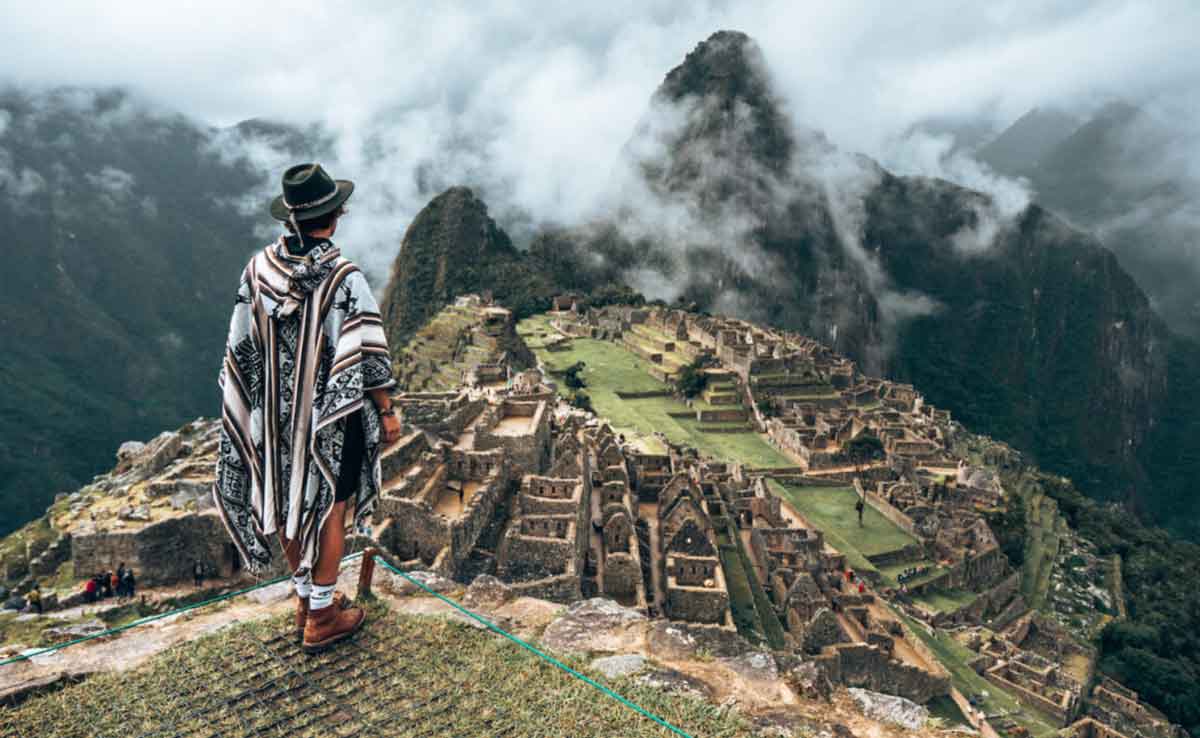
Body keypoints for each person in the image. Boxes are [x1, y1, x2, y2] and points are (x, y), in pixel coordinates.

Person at [213, 163, 400, 655]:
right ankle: (321, 615)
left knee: (289, 500)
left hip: (273, 418)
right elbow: (369, 352)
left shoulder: (256, 271)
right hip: (331, 421)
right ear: (333, 218)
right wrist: (386, 411)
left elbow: (241, 344)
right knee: (330, 509)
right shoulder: (344, 278)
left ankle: (304, 598)